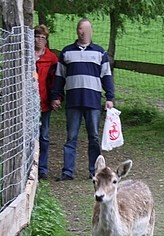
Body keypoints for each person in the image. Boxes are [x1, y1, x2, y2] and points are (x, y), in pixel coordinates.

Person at [51, 18, 114, 181]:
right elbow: (59, 77)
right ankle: (67, 171)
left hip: (92, 101)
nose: (83, 32)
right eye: (80, 29)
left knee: (93, 136)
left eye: (86, 29)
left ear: (91, 31)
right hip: (73, 101)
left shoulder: (100, 53)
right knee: (71, 137)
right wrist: (56, 96)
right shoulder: (66, 52)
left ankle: (95, 172)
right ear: (77, 31)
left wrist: (110, 97)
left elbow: (106, 76)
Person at [34, 25, 58, 180]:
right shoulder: (25, 56)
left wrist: (56, 98)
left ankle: (42, 169)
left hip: (44, 103)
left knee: (44, 136)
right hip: (28, 104)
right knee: (30, 136)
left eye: (43, 38)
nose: (40, 40)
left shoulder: (51, 58)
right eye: (37, 37)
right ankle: (29, 166)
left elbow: (56, 81)